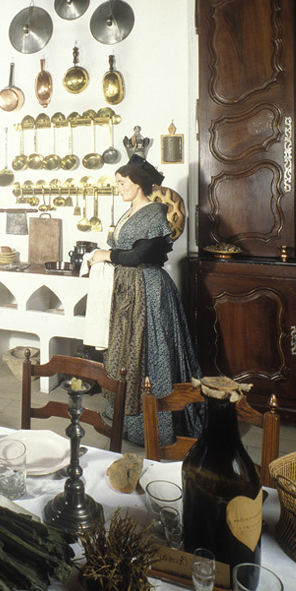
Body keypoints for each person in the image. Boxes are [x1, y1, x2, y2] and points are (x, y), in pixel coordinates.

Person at [88, 157, 201, 446]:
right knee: (128, 351)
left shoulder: (153, 214)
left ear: (137, 184)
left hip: (148, 289)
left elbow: (141, 256)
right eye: (117, 184)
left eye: (122, 183)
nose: (118, 189)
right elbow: (128, 249)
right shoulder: (131, 211)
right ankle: (126, 422)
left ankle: (154, 427)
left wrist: (106, 255)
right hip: (129, 289)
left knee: (151, 352)